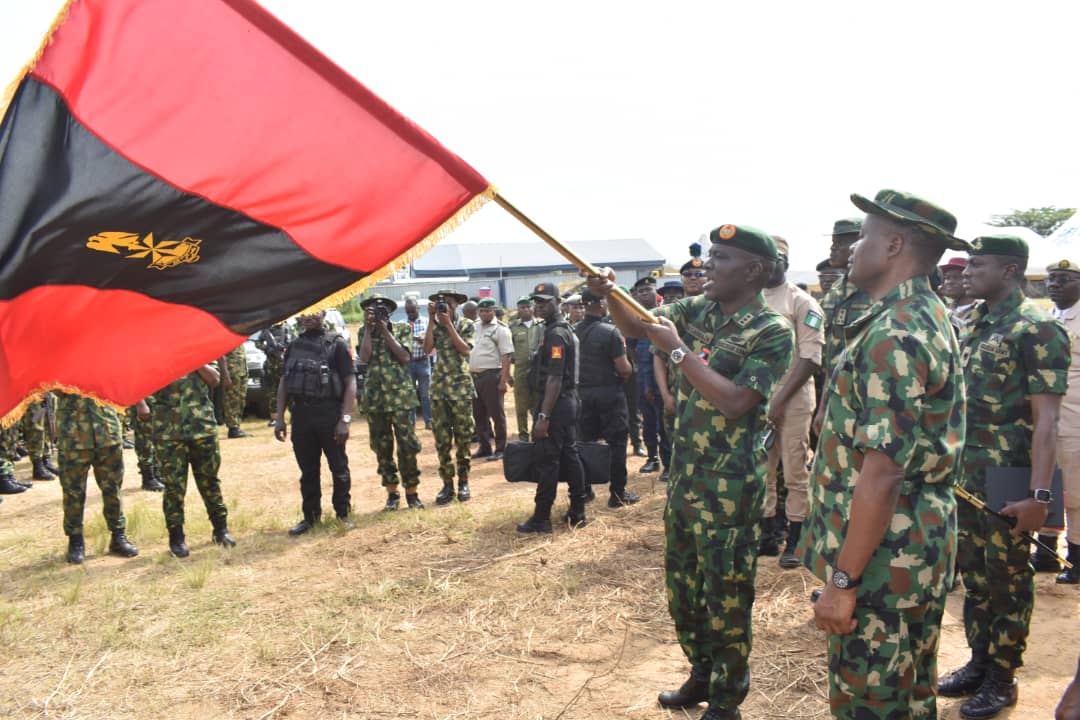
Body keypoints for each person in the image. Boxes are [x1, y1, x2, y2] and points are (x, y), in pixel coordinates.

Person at [592, 224, 793, 720]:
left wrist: (680, 352)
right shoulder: (697, 308)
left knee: (726, 596)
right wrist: (610, 293)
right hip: (686, 480)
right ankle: (701, 672)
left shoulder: (771, 331)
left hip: (729, 489)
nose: (708, 266)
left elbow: (735, 402)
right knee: (683, 591)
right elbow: (637, 326)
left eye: (722, 258)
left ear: (754, 270)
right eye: (711, 256)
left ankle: (727, 700)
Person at [800, 189, 969, 720]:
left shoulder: (895, 332)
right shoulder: (924, 313)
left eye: (865, 237)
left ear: (894, 245)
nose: (852, 248)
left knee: (870, 703)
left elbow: (883, 472)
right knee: (910, 696)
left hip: (883, 560)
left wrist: (843, 583)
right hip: (911, 548)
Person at [937, 234, 1069, 719]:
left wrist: (1038, 496)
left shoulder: (1037, 329)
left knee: (1008, 579)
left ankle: (1003, 677)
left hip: (1013, 474)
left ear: (1010, 271)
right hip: (967, 474)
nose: (968, 271)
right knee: (975, 575)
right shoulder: (973, 321)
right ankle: (978, 659)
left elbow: (1048, 421)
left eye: (979, 264)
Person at [761, 236, 824, 567]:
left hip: (794, 395)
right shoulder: (752, 300)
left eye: (775, 260)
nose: (770, 266)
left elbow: (811, 358)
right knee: (763, 468)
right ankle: (768, 533)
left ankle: (797, 540)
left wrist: (780, 400)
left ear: (785, 262)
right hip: (759, 395)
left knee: (794, 468)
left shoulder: (802, 303)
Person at [140, 363, 237, 557]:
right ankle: (176, 538)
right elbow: (138, 381)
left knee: (209, 481)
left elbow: (214, 379)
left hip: (201, 427)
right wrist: (141, 403)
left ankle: (221, 529)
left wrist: (194, 360)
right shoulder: (156, 353)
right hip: (169, 431)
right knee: (174, 487)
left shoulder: (199, 350)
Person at [274, 309, 356, 535]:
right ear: (300, 319)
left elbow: (350, 382)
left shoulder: (336, 344)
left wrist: (345, 420)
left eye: (315, 314)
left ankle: (343, 514)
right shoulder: (294, 346)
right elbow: (284, 381)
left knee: (338, 467)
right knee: (308, 471)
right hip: (301, 415)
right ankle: (310, 518)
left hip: (329, 414)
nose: (309, 317)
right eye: (305, 314)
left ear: (323, 316)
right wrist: (280, 417)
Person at [517, 282, 588, 533]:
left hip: (556, 404)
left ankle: (541, 518)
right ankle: (578, 511)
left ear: (558, 303)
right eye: (537, 302)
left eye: (545, 301)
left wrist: (543, 416)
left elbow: (555, 378)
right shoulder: (557, 329)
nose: (539, 306)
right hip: (566, 402)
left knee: (548, 459)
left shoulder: (557, 334)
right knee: (569, 455)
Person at [55, 392, 138, 563]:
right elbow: (55, 388)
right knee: (73, 492)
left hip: (107, 431)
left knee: (112, 489)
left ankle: (118, 535)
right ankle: (75, 540)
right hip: (74, 436)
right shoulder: (61, 366)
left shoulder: (105, 364)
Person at [358, 295, 424, 511]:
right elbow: (364, 358)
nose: (376, 313)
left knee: (408, 446)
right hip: (376, 400)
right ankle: (392, 493)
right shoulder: (362, 331)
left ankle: (412, 493)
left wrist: (385, 329)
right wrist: (369, 329)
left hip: (401, 398)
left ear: (389, 312)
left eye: (381, 310)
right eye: (371, 310)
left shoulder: (402, 328)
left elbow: (405, 357)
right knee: (382, 448)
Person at [575, 289, 637, 507]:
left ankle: (584, 491)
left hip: (582, 395)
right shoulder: (611, 332)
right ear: (601, 303)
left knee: (584, 444)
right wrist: (629, 369)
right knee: (617, 443)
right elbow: (624, 368)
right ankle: (617, 494)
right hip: (609, 395)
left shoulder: (573, 331)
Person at [654, 244, 708, 468]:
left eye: (699, 274)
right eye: (687, 274)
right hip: (677, 392)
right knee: (678, 450)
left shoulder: (717, 310)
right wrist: (665, 394)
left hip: (709, 395)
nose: (693, 278)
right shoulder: (673, 313)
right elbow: (659, 356)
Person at [425, 289, 476, 505]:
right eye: (440, 303)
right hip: (439, 389)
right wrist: (430, 320)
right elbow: (428, 349)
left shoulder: (466, 325)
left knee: (463, 438)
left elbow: (465, 350)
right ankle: (447, 483)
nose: (444, 306)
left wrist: (448, 325)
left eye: (448, 302)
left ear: (457, 305)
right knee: (442, 440)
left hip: (460, 388)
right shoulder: (435, 325)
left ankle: (463, 481)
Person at [1047, 259, 1080, 583]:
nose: (1055, 284)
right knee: (1050, 485)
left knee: (1076, 493)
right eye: (1052, 278)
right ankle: (1047, 551)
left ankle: (1076, 558)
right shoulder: (1051, 317)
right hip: (1050, 419)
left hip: (1075, 420)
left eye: (1065, 279)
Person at [631, 276, 671, 475]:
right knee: (648, 421)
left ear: (657, 293)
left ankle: (669, 464)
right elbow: (631, 349)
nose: (644, 294)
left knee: (665, 424)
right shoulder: (635, 319)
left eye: (648, 290)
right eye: (641, 291)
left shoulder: (667, 316)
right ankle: (652, 458)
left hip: (664, 379)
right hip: (643, 377)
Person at [469, 298, 513, 461]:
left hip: (491, 376)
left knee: (497, 414)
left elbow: (506, 356)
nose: (485, 313)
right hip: (474, 377)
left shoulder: (501, 329)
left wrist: (503, 380)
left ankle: (501, 448)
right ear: (478, 312)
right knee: (478, 415)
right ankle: (484, 447)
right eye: (482, 311)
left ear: (494, 311)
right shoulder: (474, 326)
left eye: (488, 311)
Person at [509, 296, 544, 442]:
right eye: (522, 307)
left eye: (528, 307)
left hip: (538, 372)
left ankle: (537, 434)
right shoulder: (513, 327)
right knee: (521, 406)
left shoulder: (542, 325)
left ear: (533, 308)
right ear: (518, 310)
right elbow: (508, 351)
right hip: (520, 371)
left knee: (537, 404)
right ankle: (523, 436)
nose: (525, 310)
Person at [403, 298, 433, 430]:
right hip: (408, 363)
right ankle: (411, 422)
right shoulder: (402, 325)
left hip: (423, 362)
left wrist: (420, 338)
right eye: (408, 312)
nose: (410, 314)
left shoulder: (427, 322)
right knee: (410, 394)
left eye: (412, 311)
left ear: (418, 309)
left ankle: (429, 421)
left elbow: (428, 340)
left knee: (425, 394)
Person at [255, 321, 292, 424]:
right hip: (271, 365)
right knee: (272, 391)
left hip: (285, 363)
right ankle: (274, 418)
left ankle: (294, 416)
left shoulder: (287, 327)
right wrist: (267, 348)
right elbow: (257, 343)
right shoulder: (266, 329)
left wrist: (285, 347)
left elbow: (293, 341)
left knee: (290, 390)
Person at [125, 404, 164, 491]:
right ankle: (148, 478)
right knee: (145, 440)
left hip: (155, 402)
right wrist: (140, 403)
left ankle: (156, 474)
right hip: (144, 402)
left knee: (156, 438)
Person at [220, 342, 250, 438]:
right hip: (232, 372)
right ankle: (233, 428)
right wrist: (225, 374)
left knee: (240, 400)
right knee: (231, 400)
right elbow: (221, 356)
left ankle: (237, 426)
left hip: (242, 371)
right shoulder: (226, 336)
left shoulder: (238, 338)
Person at [939, 256, 977, 330]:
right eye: (947, 278)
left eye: (957, 277)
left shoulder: (981, 309)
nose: (949, 282)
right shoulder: (943, 308)